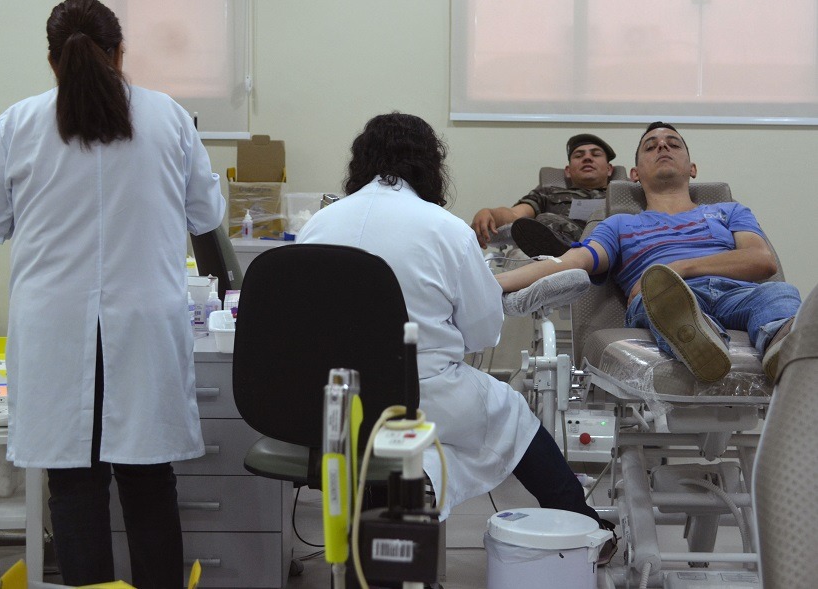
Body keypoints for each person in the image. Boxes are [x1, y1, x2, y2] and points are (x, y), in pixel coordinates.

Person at [0, 0, 225, 588]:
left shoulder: (20, 123)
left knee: (75, 485)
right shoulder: (169, 118)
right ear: (120, 53)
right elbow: (206, 211)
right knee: (147, 479)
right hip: (143, 326)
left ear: (54, 61)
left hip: (54, 328)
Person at [296, 113, 610, 532]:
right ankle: (583, 525)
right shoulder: (445, 228)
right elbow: (482, 333)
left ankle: (379, 523)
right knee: (510, 411)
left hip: (325, 398)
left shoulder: (318, 224)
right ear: (430, 165)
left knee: (427, 435)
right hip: (421, 393)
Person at [497, 122, 800, 382]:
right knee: (660, 297)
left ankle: (783, 348)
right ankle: (699, 337)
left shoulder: (728, 211)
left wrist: (680, 267)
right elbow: (569, 262)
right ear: (634, 173)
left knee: (779, 294)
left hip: (736, 295)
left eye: (673, 144)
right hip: (664, 298)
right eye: (651, 146)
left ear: (692, 168)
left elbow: (762, 260)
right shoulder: (617, 225)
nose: (662, 148)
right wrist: (493, 283)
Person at [471, 133, 616, 256]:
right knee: (542, 221)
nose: (587, 158)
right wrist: (490, 214)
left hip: (610, 248)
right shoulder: (548, 194)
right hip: (556, 255)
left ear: (609, 169)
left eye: (596, 154)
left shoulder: (624, 194)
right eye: (579, 156)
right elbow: (515, 215)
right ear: (568, 171)